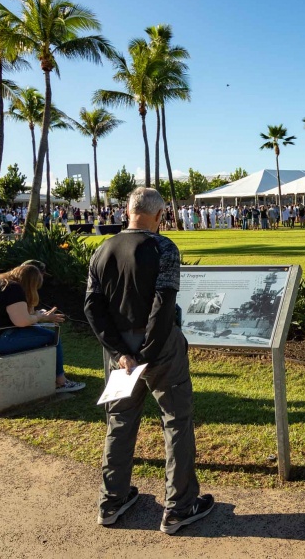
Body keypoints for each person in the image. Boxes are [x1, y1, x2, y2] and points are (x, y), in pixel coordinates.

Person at [85, 187, 213, 531]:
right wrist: (147, 352)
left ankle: (111, 500)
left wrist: (121, 353)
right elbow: (163, 303)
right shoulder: (163, 247)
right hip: (159, 347)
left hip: (120, 350)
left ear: (128, 212)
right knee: (176, 421)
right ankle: (179, 506)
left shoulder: (102, 250)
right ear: (160, 216)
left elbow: (92, 308)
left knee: (120, 424)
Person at [0, 262, 85, 393]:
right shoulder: (13, 289)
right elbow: (22, 321)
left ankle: (53, 374)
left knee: (36, 329)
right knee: (52, 337)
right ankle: (61, 382)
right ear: (30, 283)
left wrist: (36, 315)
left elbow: (17, 314)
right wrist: (40, 317)